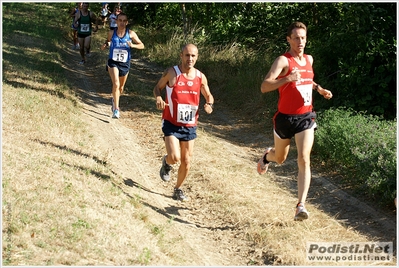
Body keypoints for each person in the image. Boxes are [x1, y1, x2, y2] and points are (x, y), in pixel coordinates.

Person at [257, 22, 333, 221]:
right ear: (289, 39)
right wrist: (287, 79)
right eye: (296, 38)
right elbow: (264, 86)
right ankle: (266, 157)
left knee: (304, 158)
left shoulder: (309, 58)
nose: (301, 42)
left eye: (303, 38)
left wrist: (319, 89)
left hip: (306, 117)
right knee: (280, 158)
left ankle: (300, 205)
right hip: (284, 118)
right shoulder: (283, 61)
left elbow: (308, 79)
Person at [153, 44, 214, 201]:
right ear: (181, 55)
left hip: (190, 125)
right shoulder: (172, 73)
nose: (190, 59)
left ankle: (178, 189)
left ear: (197, 57)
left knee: (186, 162)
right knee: (175, 158)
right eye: (187, 55)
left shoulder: (200, 77)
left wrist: (209, 104)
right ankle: (167, 163)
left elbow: (208, 95)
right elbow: (157, 88)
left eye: (193, 56)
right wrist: (159, 98)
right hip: (171, 122)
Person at [100, 12, 145, 119]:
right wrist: (105, 45)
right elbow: (108, 41)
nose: (122, 23)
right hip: (113, 61)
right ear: (116, 21)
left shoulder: (131, 34)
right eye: (120, 20)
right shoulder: (111, 32)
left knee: (120, 88)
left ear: (127, 22)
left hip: (125, 63)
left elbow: (142, 45)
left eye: (124, 21)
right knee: (115, 83)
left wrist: (132, 45)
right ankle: (116, 109)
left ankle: (114, 99)